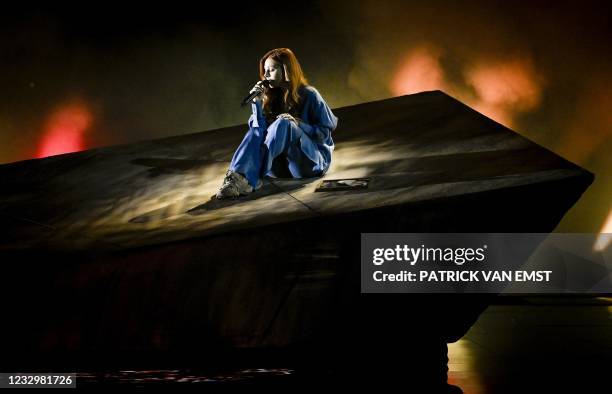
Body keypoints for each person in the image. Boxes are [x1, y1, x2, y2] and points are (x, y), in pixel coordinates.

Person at [216, 48, 338, 199]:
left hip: (310, 163)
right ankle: (237, 177)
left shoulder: (310, 94)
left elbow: (324, 134)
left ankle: (247, 178)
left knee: (284, 123)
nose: (266, 75)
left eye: (272, 69)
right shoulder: (270, 97)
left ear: (287, 70)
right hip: (279, 169)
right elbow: (257, 133)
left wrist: (298, 125)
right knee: (255, 130)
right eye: (265, 70)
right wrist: (257, 104)